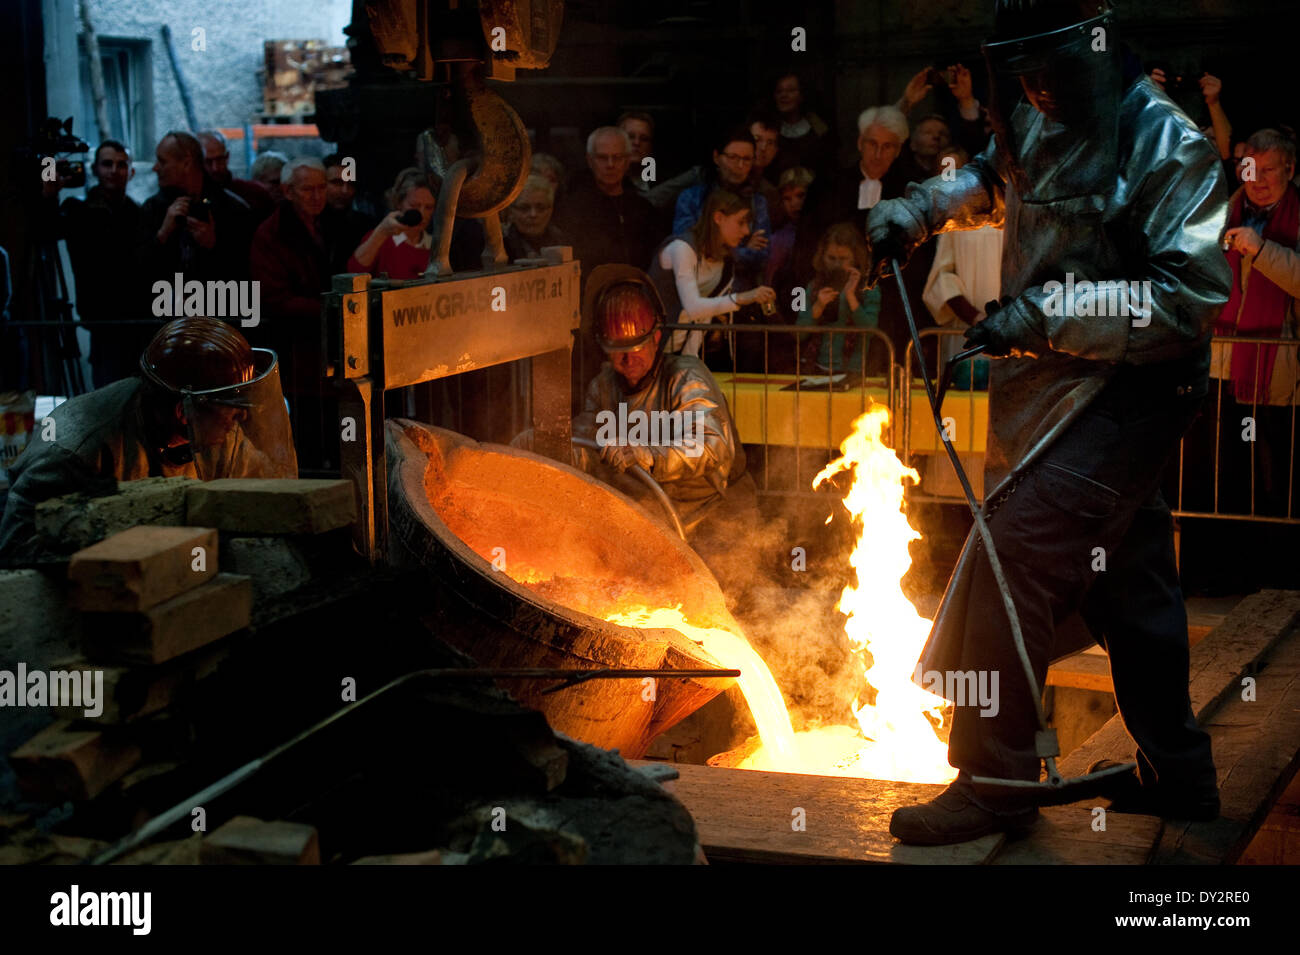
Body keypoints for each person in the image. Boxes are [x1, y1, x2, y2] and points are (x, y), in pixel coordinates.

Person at [869, 0, 1232, 845]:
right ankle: (1179, 772)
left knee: (1014, 550)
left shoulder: (1166, 144)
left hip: (1134, 391)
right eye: (1020, 76)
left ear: (1094, 56)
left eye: (1049, 74)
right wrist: (922, 209)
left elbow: (1188, 299)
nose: (1033, 93)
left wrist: (1041, 316)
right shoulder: (1035, 112)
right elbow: (995, 174)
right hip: (1063, 390)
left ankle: (995, 775)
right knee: (1127, 572)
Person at [0, 317, 296, 558]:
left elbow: (264, 499)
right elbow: (17, 547)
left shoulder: (218, 431)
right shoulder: (77, 452)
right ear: (184, 412)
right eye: (231, 407)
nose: (241, 417)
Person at [570, 267, 757, 580]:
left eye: (636, 347)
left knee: (720, 600)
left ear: (656, 337)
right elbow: (585, 445)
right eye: (618, 352)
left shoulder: (685, 377)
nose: (628, 361)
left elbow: (711, 446)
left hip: (715, 516)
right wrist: (551, 450)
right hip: (654, 518)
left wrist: (649, 454)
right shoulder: (603, 388)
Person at [249, 157, 334, 471]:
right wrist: (330, 307)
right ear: (288, 191)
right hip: (302, 354)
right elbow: (274, 298)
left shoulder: (333, 223)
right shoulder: (272, 234)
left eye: (321, 187)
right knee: (309, 442)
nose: (316, 196)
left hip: (333, 352)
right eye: (307, 189)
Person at [43, 140, 146, 388]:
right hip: (102, 319)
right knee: (108, 398)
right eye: (107, 164)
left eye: (121, 165)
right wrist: (48, 193)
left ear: (130, 171)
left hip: (136, 320)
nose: (114, 171)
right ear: (95, 169)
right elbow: (46, 232)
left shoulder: (137, 213)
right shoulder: (78, 210)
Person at [647, 189, 776, 363]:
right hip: (650, 350)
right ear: (718, 218)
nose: (746, 231)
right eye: (741, 222)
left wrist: (690, 361)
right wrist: (741, 298)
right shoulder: (682, 248)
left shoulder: (726, 261)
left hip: (680, 352)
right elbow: (693, 307)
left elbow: (704, 317)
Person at [136, 131, 256, 292]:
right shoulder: (152, 209)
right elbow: (135, 274)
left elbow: (248, 278)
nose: (155, 168)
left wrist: (214, 246)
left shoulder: (234, 210)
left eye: (162, 162)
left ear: (186, 163)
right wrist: (162, 235)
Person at [921, 146, 1003, 375]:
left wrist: (1004, 317)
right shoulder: (954, 221)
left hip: (1007, 327)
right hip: (966, 328)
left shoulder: (1013, 214)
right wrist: (975, 317)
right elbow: (943, 276)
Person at [552, 127, 658, 280]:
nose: (610, 164)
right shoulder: (572, 209)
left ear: (627, 161)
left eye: (617, 157)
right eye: (602, 157)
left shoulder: (643, 210)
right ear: (590, 160)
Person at [672, 127, 772, 283]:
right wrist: (741, 250)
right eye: (733, 157)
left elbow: (761, 256)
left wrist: (713, 246)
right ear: (717, 157)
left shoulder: (758, 202)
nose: (740, 166)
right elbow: (687, 251)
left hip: (742, 293)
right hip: (700, 290)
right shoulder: (692, 198)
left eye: (747, 159)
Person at [796, 224, 880, 375]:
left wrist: (851, 297)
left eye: (843, 259)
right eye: (831, 258)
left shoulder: (870, 288)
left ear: (855, 258)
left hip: (853, 371)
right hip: (814, 368)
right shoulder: (810, 286)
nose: (837, 264)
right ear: (822, 256)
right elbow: (798, 332)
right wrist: (818, 307)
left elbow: (871, 330)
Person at [347, 168, 437, 279]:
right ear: (399, 203)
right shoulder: (381, 239)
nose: (422, 214)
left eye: (428, 207)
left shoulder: (435, 246)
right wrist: (381, 233)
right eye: (414, 205)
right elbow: (353, 273)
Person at [196, 129, 275, 222]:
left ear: (227, 157)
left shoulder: (255, 194)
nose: (215, 168)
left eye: (220, 159)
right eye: (208, 162)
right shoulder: (193, 199)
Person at [770, 71, 835, 181]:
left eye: (791, 90)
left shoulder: (819, 132)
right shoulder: (769, 131)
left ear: (802, 95)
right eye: (779, 91)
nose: (783, 95)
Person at [320, 151, 375, 275]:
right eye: (337, 183)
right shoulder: (310, 224)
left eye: (350, 184)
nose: (345, 191)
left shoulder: (365, 225)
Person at [503, 174, 568, 261]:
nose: (533, 214)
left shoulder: (564, 241)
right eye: (524, 208)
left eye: (541, 208)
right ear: (510, 212)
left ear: (551, 210)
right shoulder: (501, 247)